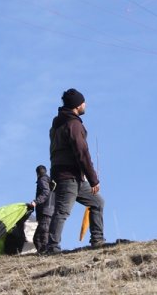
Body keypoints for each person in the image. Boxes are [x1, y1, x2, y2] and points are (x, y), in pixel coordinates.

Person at [46, 88, 105, 253]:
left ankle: (97, 241)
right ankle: (52, 247)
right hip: (68, 176)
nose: (85, 104)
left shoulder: (58, 124)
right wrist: (93, 179)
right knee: (62, 211)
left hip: (70, 176)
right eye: (82, 102)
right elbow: (82, 153)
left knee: (97, 202)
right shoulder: (73, 125)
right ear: (77, 106)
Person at [28, 165, 55, 254]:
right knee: (39, 237)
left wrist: (36, 202)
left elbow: (45, 192)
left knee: (41, 236)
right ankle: (42, 254)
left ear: (37, 173)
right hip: (50, 211)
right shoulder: (50, 181)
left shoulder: (42, 179)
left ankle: (45, 254)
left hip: (45, 211)